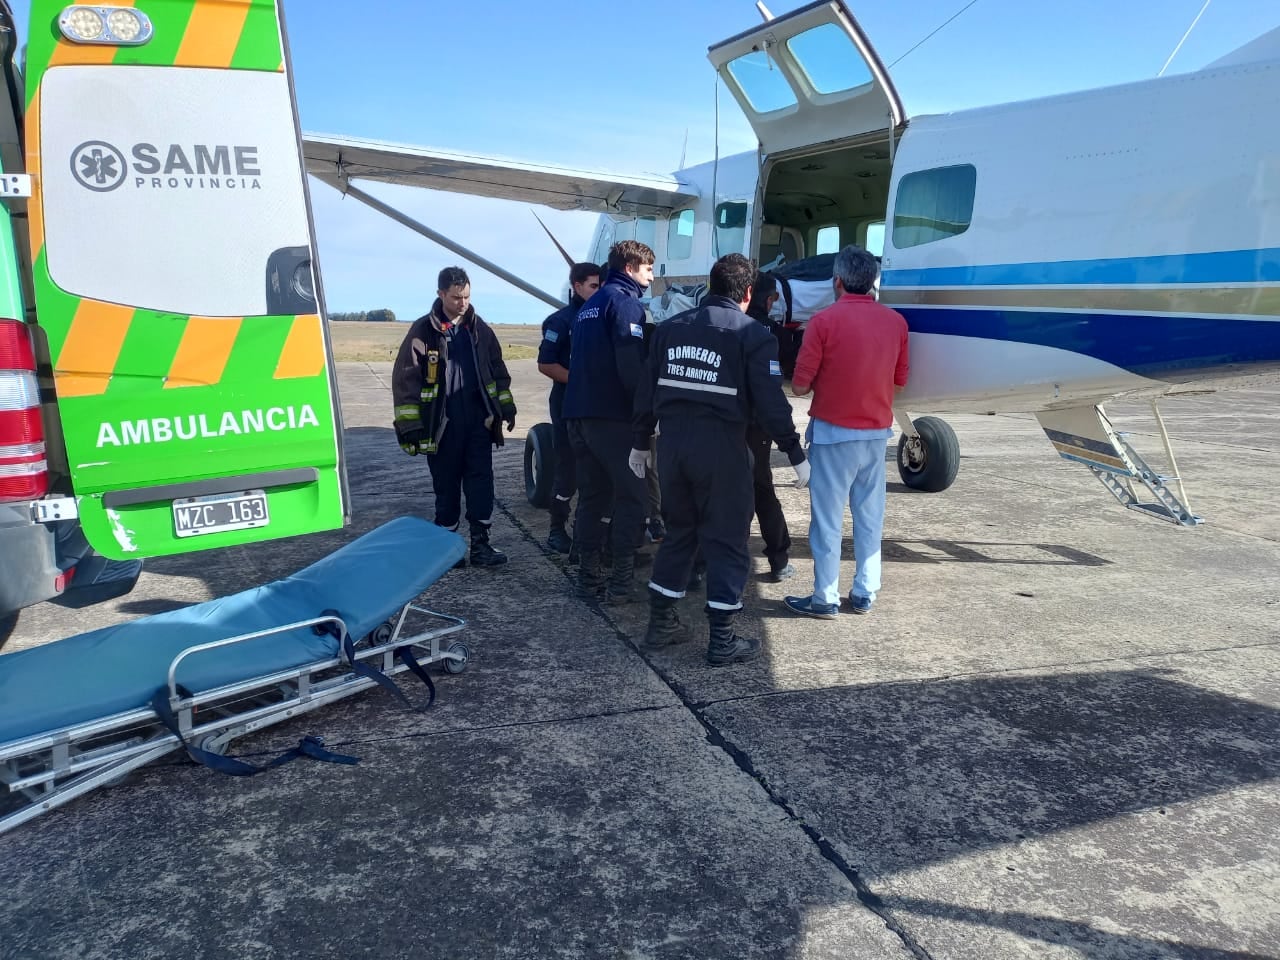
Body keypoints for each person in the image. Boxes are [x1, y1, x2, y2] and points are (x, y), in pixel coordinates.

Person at [632, 253, 809, 667]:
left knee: (679, 534)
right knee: (727, 540)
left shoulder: (669, 330)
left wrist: (640, 441)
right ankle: (723, 640)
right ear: (748, 293)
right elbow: (769, 403)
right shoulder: (752, 335)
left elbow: (647, 390)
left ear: (711, 286)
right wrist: (794, 450)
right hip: (722, 452)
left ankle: (661, 625)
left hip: (673, 450)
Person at [784, 245, 908, 618]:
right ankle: (866, 590)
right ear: (871, 281)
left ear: (836, 281)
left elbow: (800, 387)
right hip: (875, 435)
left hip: (833, 435)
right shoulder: (896, 322)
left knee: (827, 520)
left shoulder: (822, 323)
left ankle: (825, 596)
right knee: (869, 517)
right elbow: (900, 381)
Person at [392, 266, 516, 567]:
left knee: (481, 484)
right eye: (456, 297)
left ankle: (481, 547)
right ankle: (448, 551)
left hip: (479, 424)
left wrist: (506, 406)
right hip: (443, 427)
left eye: (467, 297)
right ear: (441, 294)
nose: (463, 303)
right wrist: (410, 424)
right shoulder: (423, 332)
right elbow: (405, 379)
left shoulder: (480, 329)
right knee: (446, 488)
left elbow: (498, 371)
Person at [563, 240, 654, 603]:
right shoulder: (625, 303)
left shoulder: (590, 305)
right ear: (630, 268)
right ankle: (619, 583)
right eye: (648, 268)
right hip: (611, 419)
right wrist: (646, 414)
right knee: (633, 499)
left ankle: (587, 580)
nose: (652, 275)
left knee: (592, 498)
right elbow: (630, 366)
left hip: (578, 416)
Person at [537, 262, 601, 555]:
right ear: (577, 287)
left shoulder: (601, 316)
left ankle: (589, 531)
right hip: (567, 405)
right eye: (593, 286)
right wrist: (581, 379)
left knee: (595, 471)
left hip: (594, 407)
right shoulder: (560, 321)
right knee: (568, 469)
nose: (598, 292)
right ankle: (556, 528)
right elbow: (546, 364)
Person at [744, 272, 795, 582]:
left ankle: (699, 564)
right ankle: (778, 559)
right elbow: (778, 383)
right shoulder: (772, 333)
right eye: (774, 297)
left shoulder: (730, 325)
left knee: (713, 491)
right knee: (762, 490)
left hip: (727, 422)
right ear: (765, 297)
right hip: (758, 426)